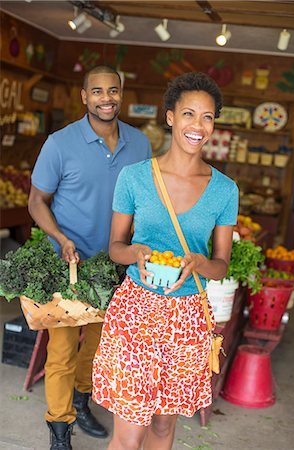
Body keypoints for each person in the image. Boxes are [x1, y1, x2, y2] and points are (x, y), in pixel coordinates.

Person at [92, 72, 239, 450]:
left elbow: (222, 264)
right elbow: (115, 246)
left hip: (188, 317)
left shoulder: (225, 190)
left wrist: (199, 263)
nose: (198, 126)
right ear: (170, 116)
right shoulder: (135, 178)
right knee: (128, 434)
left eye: (207, 117)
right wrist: (135, 253)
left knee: (161, 427)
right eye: (189, 114)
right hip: (135, 313)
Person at [28, 65, 152, 450]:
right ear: (84, 97)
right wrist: (60, 237)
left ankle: (81, 401)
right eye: (96, 91)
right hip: (66, 267)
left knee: (99, 346)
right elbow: (36, 201)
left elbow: (144, 203)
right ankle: (60, 428)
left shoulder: (140, 144)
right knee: (62, 351)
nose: (106, 99)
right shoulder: (59, 143)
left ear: (121, 93)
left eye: (112, 90)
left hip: (116, 267)